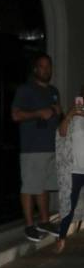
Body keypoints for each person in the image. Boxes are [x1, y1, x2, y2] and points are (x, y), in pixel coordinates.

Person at [12, 53, 62, 242]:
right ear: (35, 69)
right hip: (32, 148)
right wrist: (39, 113)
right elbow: (16, 115)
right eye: (42, 66)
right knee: (30, 186)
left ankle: (44, 220)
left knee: (44, 186)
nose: (46, 70)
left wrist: (58, 112)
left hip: (50, 147)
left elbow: (56, 118)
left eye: (48, 67)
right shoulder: (25, 90)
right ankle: (28, 225)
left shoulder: (53, 91)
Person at [54, 90, 84, 253]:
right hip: (76, 171)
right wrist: (70, 114)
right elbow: (62, 133)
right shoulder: (74, 118)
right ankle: (61, 237)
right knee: (69, 206)